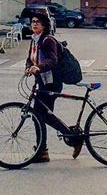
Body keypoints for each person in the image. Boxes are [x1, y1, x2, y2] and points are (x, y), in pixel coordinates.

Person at [25, 12, 82, 162]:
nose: (34, 24)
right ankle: (42, 151)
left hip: (53, 83)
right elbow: (30, 59)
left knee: (41, 115)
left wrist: (39, 68)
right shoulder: (35, 40)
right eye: (33, 21)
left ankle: (67, 139)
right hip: (42, 82)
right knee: (40, 115)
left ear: (44, 25)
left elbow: (53, 61)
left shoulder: (48, 40)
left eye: (38, 22)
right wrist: (29, 67)